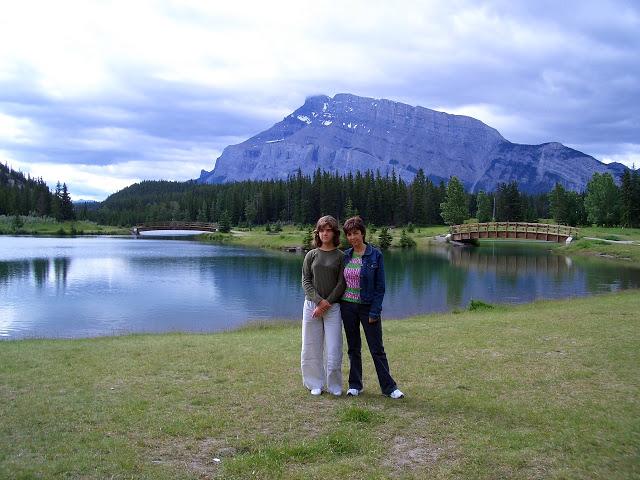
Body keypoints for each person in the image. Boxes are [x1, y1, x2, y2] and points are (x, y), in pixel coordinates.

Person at [340, 216, 404, 399]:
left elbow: (380, 287)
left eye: (356, 233)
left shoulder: (375, 255)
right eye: (349, 234)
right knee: (353, 347)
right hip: (348, 307)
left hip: (368, 308)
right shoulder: (345, 256)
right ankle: (355, 385)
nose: (353, 237)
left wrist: (375, 311)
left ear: (363, 233)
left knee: (377, 349)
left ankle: (389, 388)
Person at [301, 215, 346, 396]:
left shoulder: (342, 256)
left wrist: (326, 303)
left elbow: (342, 283)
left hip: (333, 308)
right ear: (317, 233)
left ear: (334, 233)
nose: (325, 233)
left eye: (328, 230)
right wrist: (319, 302)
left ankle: (334, 386)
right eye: (321, 230)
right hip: (311, 306)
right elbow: (306, 281)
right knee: (310, 346)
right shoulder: (311, 255)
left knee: (334, 348)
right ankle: (314, 384)